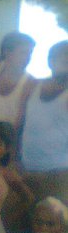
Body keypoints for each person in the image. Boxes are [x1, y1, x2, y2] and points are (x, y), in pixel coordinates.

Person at [20, 40, 68, 205]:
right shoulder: (32, 85)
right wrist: (14, 159)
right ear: (50, 61)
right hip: (28, 167)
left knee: (59, 221)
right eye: (61, 58)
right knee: (31, 219)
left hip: (60, 170)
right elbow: (19, 123)